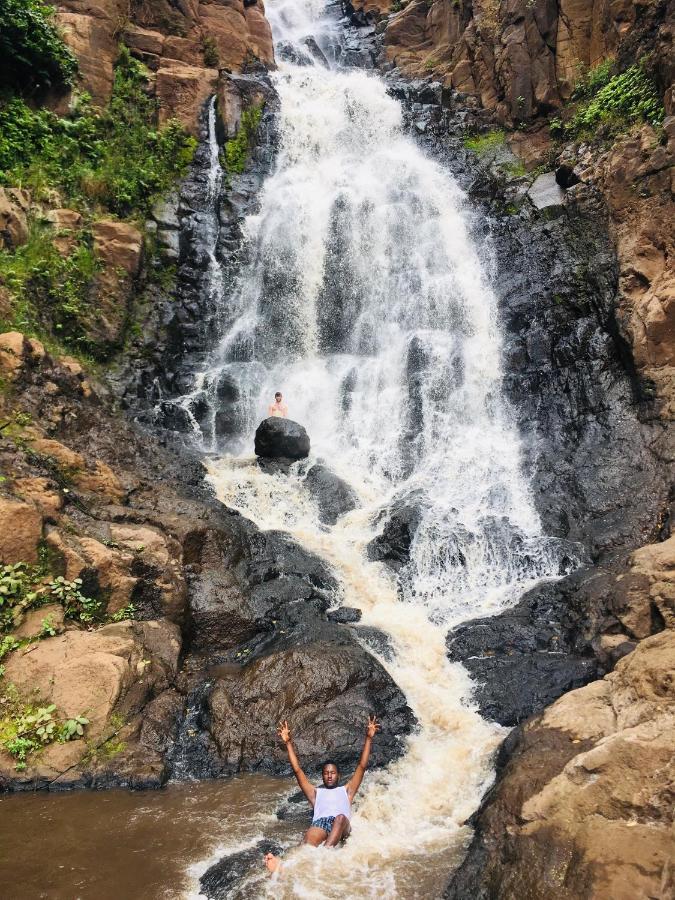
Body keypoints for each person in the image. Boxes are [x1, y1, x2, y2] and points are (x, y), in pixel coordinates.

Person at [264, 715, 381, 874]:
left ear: (338, 776)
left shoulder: (347, 790)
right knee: (308, 839)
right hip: (321, 824)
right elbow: (298, 771)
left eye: (333, 773)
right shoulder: (315, 793)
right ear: (322, 776)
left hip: (341, 825)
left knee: (339, 818)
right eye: (326, 773)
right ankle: (285, 867)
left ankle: (323, 858)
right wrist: (288, 743)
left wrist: (368, 738)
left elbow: (361, 766)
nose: (330, 776)